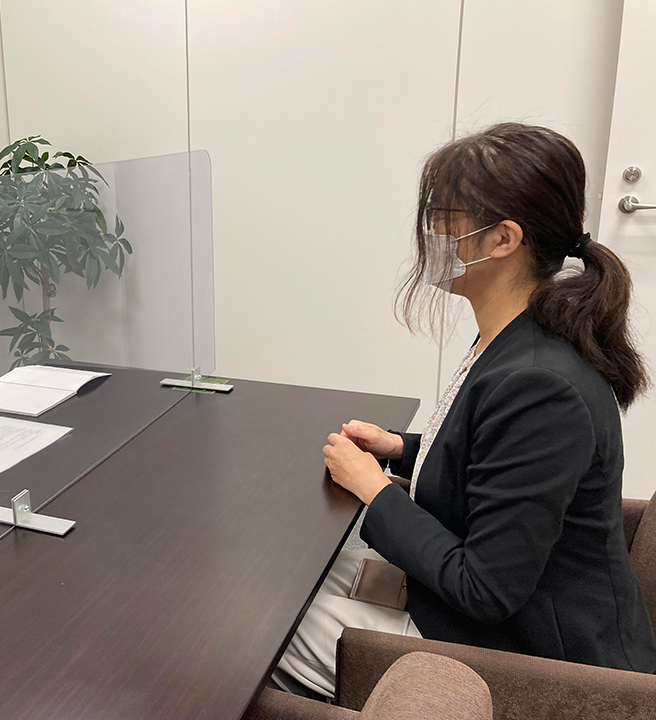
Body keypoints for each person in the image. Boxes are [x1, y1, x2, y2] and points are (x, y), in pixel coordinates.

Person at [275, 123, 656, 697]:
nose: (432, 235)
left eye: (445, 220)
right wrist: (403, 449)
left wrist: (376, 491)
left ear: (502, 238)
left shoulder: (538, 383)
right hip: (497, 612)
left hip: (538, 660)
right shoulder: (516, 340)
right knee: (289, 576)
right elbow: (504, 465)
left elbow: (485, 588)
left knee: (263, 620)